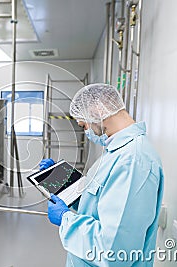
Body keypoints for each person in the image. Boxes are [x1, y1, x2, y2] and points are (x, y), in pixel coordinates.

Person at [40, 83, 164, 266]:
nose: (86, 131)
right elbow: (100, 202)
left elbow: (114, 249)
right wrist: (59, 180)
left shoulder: (133, 162)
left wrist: (66, 219)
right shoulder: (117, 152)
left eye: (84, 125)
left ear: (97, 112)